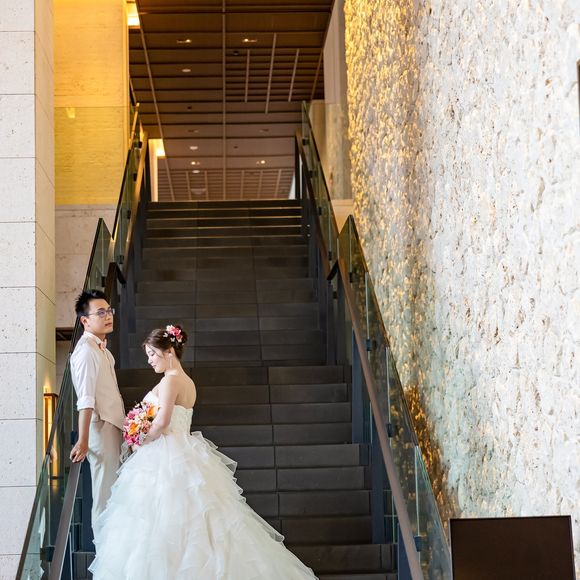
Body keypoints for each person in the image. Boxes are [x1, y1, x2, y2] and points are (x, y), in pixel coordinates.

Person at [89, 324, 317, 580]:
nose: (150, 360)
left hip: (165, 452)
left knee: (160, 521)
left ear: (169, 351)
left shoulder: (170, 381)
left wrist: (140, 439)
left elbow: (162, 422)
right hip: (185, 449)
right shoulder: (188, 382)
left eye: (152, 354)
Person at [69, 290, 125, 537]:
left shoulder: (103, 351)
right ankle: (103, 554)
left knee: (115, 493)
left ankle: (115, 548)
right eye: (100, 312)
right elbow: (86, 399)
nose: (108, 316)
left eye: (109, 310)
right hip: (101, 429)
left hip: (113, 426)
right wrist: (83, 439)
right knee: (104, 495)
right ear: (85, 320)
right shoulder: (86, 351)